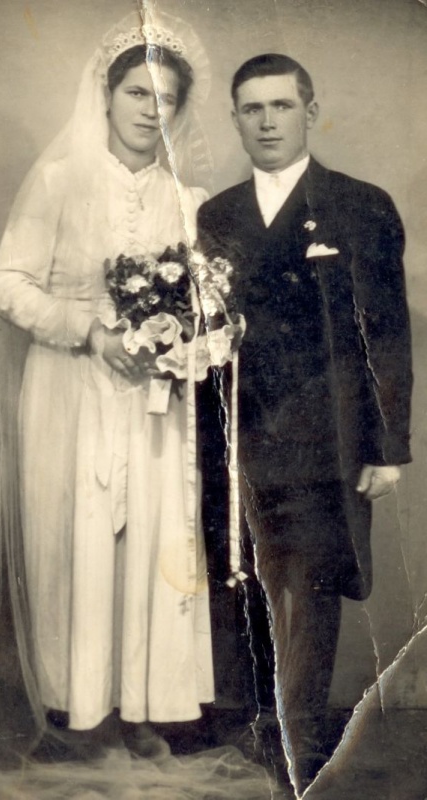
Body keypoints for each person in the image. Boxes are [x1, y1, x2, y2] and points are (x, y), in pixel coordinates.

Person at [0, 11, 215, 760]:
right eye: (136, 93)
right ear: (106, 94)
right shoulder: (60, 181)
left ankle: (143, 709)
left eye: (165, 98)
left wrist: (179, 342)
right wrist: (89, 331)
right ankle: (82, 712)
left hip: (153, 401)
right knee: (75, 543)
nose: (149, 110)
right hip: (67, 388)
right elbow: (7, 283)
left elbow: (203, 306)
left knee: (152, 542)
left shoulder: (188, 202)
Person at [197, 53, 412, 793]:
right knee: (251, 590)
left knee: (310, 597)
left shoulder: (361, 205)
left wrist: (389, 447)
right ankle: (268, 734)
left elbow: (387, 332)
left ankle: (302, 753)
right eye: (252, 109)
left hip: (330, 439)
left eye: (281, 106)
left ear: (309, 112)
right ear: (235, 119)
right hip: (244, 438)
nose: (267, 122)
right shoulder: (216, 215)